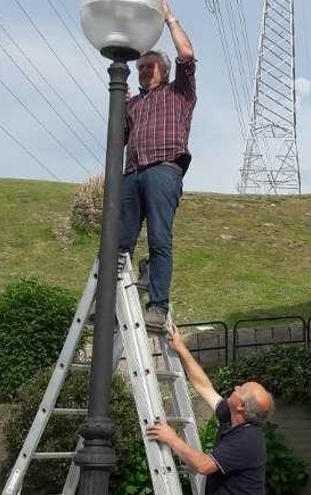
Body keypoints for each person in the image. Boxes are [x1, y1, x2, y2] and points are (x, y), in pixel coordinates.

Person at [120, 0, 196, 329]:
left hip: (164, 170)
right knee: (117, 243)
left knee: (159, 239)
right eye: (140, 68)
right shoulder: (133, 104)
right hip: (133, 174)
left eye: (149, 67)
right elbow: (119, 136)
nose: (144, 71)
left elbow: (187, 56)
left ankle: (158, 306)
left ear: (163, 71)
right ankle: (110, 304)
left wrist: (168, 19)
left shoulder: (179, 93)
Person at [147, 324, 275, 495]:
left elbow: (204, 465)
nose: (236, 387)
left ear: (241, 406)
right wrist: (181, 347)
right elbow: (204, 386)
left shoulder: (248, 439)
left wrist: (171, 438)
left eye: (241, 389)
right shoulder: (231, 416)